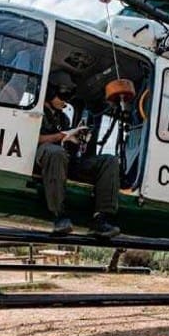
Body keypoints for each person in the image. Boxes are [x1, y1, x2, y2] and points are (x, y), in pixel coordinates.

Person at [36, 70, 120, 238]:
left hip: (65, 161)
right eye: (62, 95)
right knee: (55, 152)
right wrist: (62, 136)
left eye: (68, 96)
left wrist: (78, 139)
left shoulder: (64, 119)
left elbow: (67, 143)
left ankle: (100, 218)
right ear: (50, 92)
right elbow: (32, 138)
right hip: (44, 160)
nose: (65, 101)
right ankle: (59, 215)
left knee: (109, 161)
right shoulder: (37, 112)